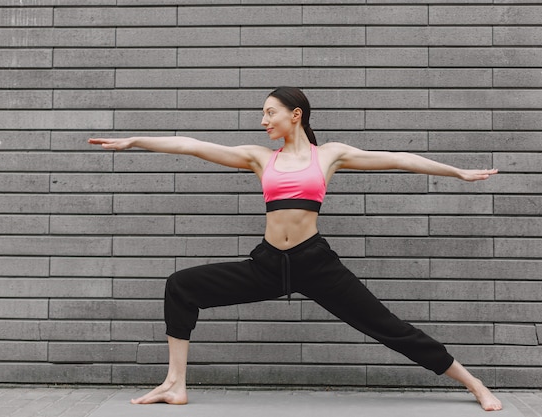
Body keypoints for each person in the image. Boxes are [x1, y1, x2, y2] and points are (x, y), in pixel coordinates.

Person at [89, 86, 502, 412]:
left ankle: (473, 383)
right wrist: (136, 141)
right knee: (181, 286)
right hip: (268, 264)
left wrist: (457, 172)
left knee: (391, 328)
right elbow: (191, 145)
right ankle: (175, 384)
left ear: (295, 115)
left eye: (270, 112)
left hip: (315, 264)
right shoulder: (258, 158)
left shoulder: (330, 156)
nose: (263, 120)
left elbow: (398, 159)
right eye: (263, 113)